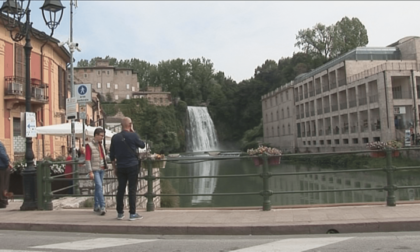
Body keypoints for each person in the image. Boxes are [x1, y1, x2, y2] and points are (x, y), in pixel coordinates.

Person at [110, 117, 145, 221]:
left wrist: (114, 167)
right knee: (132, 189)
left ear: (121, 125)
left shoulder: (115, 137)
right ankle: (132, 214)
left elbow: (112, 155)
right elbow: (142, 145)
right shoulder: (133, 135)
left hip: (120, 166)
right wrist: (134, 132)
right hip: (132, 166)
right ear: (130, 125)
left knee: (120, 189)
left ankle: (120, 213)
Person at [85, 128, 107, 216]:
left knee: (98, 188)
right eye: (101, 136)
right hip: (95, 169)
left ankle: (96, 205)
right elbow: (87, 159)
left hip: (101, 168)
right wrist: (90, 171)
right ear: (96, 135)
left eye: (103, 136)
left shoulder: (100, 145)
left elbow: (103, 156)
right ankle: (102, 206)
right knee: (99, 186)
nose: (102, 137)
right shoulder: (89, 145)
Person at [0, 140, 12, 208]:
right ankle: (3, 200)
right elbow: (2, 154)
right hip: (2, 167)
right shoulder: (0, 145)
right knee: (3, 184)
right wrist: (8, 163)